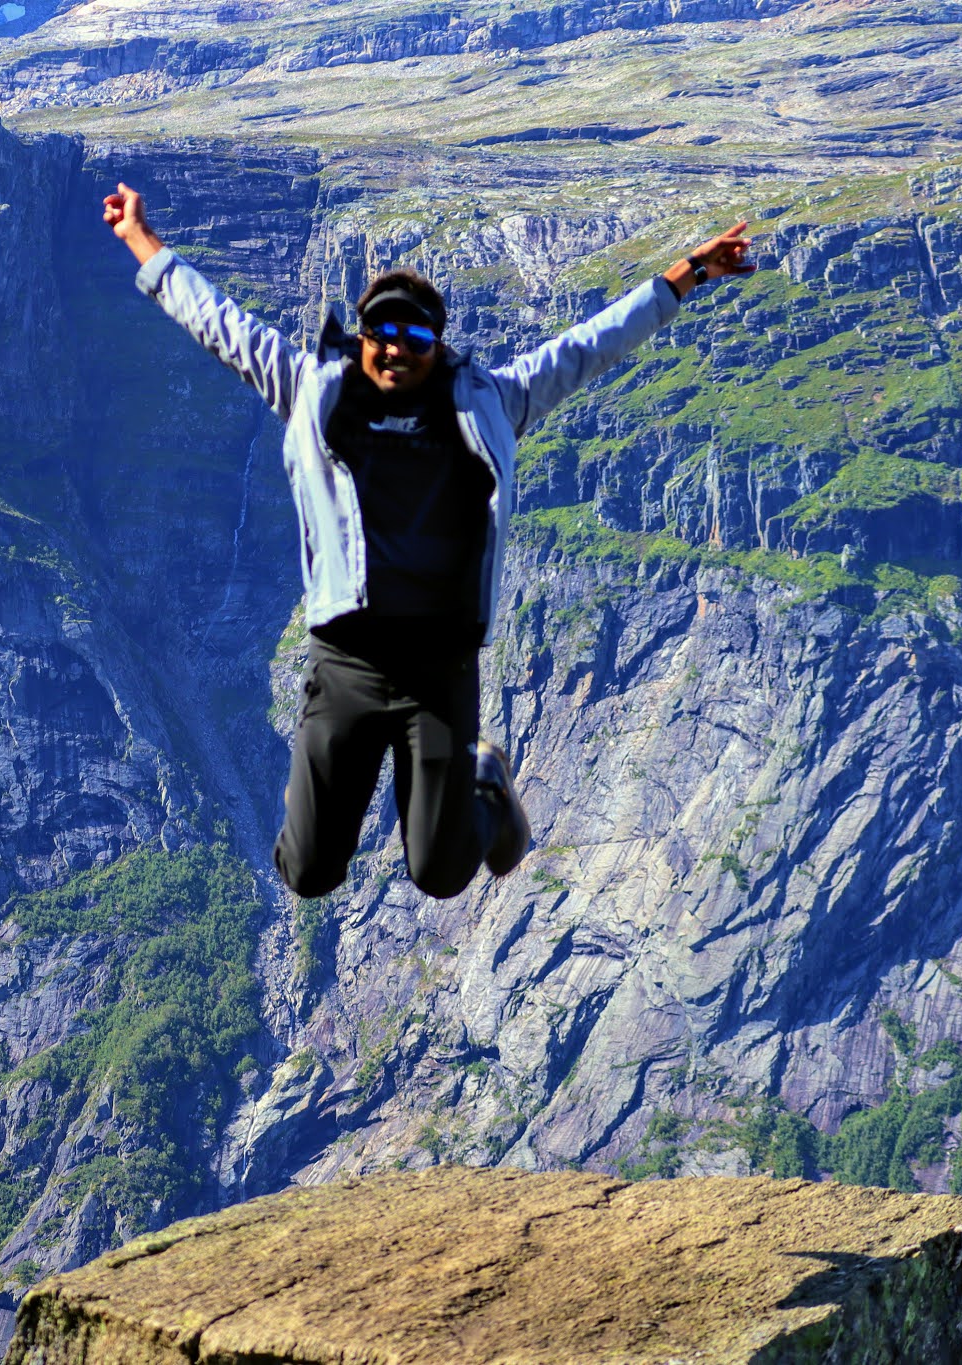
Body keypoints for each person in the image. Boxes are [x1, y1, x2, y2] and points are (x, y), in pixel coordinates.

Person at [102, 181, 755, 900]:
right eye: (381, 333)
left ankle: (484, 786)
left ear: (436, 342)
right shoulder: (312, 390)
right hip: (346, 667)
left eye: (413, 336)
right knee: (307, 871)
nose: (394, 349)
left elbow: (591, 345)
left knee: (441, 873)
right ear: (361, 336)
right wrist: (140, 239)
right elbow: (218, 322)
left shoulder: (491, 400)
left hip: (438, 677)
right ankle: (349, 811)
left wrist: (687, 273)